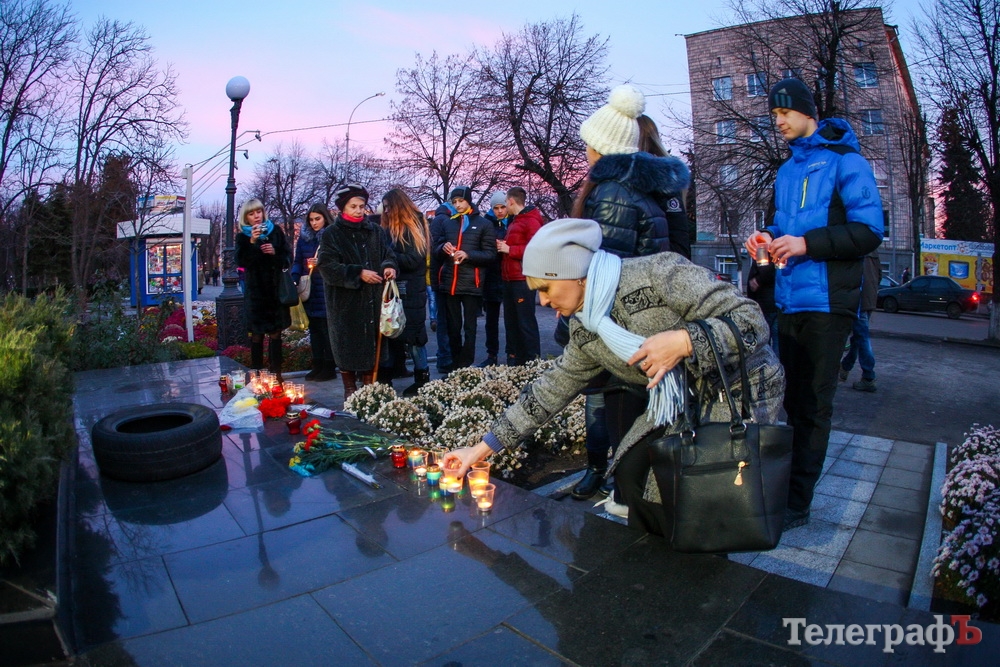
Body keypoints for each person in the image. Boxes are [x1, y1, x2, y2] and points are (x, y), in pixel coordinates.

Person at [442, 218, 785, 536]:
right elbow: (549, 391)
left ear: (575, 275)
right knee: (633, 476)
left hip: (737, 388)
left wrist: (685, 341)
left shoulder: (658, 273)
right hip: (678, 401)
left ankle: (703, 567)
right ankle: (661, 562)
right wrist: (480, 449)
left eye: (545, 287)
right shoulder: (585, 329)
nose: (542, 301)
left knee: (704, 498)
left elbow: (751, 321)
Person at [744, 78, 884, 530]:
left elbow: (868, 232)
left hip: (828, 304)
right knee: (790, 401)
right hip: (789, 301)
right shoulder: (787, 171)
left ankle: (797, 503)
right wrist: (766, 239)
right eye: (774, 115)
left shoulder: (848, 161)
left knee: (813, 406)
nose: (778, 121)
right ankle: (787, 490)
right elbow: (782, 225)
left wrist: (805, 244)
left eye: (784, 112)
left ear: (808, 112)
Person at [568, 85, 691, 505]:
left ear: (602, 146)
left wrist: (580, 319)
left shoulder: (612, 194)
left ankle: (627, 502)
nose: (585, 150)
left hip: (618, 325)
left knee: (618, 412)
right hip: (643, 318)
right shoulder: (636, 189)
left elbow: (608, 268)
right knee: (632, 414)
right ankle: (627, 490)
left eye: (588, 142)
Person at [317, 184, 397, 402]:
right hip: (345, 303)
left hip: (373, 300)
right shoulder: (332, 234)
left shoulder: (375, 231)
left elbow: (388, 254)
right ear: (343, 208)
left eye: (362, 206)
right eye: (353, 206)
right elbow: (327, 267)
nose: (359, 211)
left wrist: (389, 266)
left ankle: (369, 389)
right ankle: (350, 388)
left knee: (372, 346)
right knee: (347, 346)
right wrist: (358, 273)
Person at [431, 186, 497, 370]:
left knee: (470, 328)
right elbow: (436, 250)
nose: (458, 205)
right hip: (450, 282)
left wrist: (468, 255)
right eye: (454, 202)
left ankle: (465, 365)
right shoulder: (448, 223)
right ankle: (455, 365)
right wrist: (443, 248)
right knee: (453, 327)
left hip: (471, 283)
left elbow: (490, 254)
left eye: (461, 201)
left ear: (469, 201)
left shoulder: (484, 224)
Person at [379, 188, 432, 395]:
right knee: (397, 332)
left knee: (414, 337)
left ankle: (422, 378)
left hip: (411, 288)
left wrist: (388, 259)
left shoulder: (411, 226)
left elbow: (413, 259)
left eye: (388, 207)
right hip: (402, 287)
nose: (386, 211)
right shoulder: (394, 228)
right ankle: (400, 374)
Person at [234, 199, 292, 380]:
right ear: (246, 217)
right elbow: (241, 262)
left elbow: (287, 258)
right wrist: (252, 242)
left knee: (276, 335)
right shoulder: (242, 237)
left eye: (258, 212)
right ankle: (257, 374)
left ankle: (276, 374)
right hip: (256, 294)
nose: (256, 216)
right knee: (256, 336)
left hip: (275, 292)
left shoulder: (276, 231)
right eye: (251, 214)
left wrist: (275, 253)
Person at [498, 186, 543, 366]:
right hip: (510, 279)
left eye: (505, 203)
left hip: (522, 280)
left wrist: (509, 249)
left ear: (511, 201)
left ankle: (533, 362)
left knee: (525, 322)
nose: (504, 207)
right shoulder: (516, 221)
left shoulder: (530, 220)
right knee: (512, 322)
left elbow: (537, 249)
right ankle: (518, 361)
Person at [292, 203, 337, 381]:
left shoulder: (332, 236)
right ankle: (317, 365)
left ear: (325, 218)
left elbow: (339, 261)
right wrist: (295, 277)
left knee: (326, 330)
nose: (314, 223)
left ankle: (329, 367)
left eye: (317, 219)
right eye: (311, 220)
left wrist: (321, 262)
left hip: (326, 288)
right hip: (309, 289)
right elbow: (297, 261)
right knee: (314, 330)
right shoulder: (304, 239)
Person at [840, 250, 881, 392]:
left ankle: (869, 377)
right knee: (858, 338)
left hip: (858, 300)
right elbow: (879, 274)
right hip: (869, 299)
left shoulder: (855, 248)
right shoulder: (872, 249)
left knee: (862, 338)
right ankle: (845, 367)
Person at [478, 191, 510, 367]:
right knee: (491, 320)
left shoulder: (513, 221)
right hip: (491, 276)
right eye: (496, 208)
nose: (499, 211)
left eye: (502, 207)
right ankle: (492, 354)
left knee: (512, 318)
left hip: (508, 275)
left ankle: (512, 352)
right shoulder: (487, 224)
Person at [747, 259, 779, 354]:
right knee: (776, 339)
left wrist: (757, 280)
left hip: (765, 304)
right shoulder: (779, 257)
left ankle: (768, 361)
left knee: (764, 340)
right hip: (775, 304)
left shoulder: (764, 254)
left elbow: (766, 271)